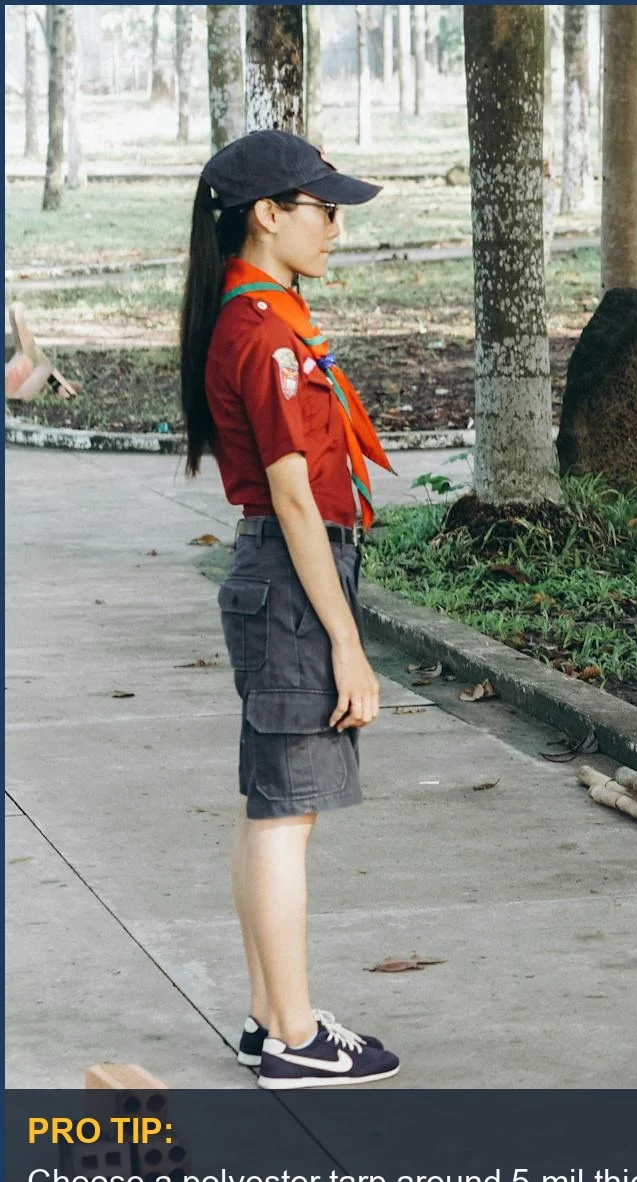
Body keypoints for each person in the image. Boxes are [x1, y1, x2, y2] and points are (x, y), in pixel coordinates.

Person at [178, 130, 401, 1090]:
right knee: (285, 816)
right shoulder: (265, 334)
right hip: (293, 576)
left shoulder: (264, 316)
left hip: (280, 574)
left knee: (272, 807)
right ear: (267, 215)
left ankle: (272, 1018)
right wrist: (347, 643)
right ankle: (296, 1038)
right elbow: (296, 497)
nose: (335, 228)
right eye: (323, 209)